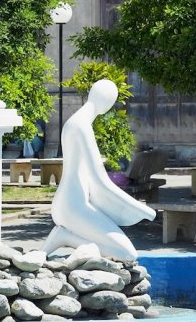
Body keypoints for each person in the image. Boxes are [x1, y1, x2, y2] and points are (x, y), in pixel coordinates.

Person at [43, 79, 155, 261]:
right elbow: (101, 182)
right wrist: (141, 209)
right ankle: (65, 237)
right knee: (127, 254)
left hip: (70, 201)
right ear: (108, 103)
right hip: (74, 206)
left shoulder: (73, 122)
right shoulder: (82, 126)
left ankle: (64, 237)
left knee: (123, 250)